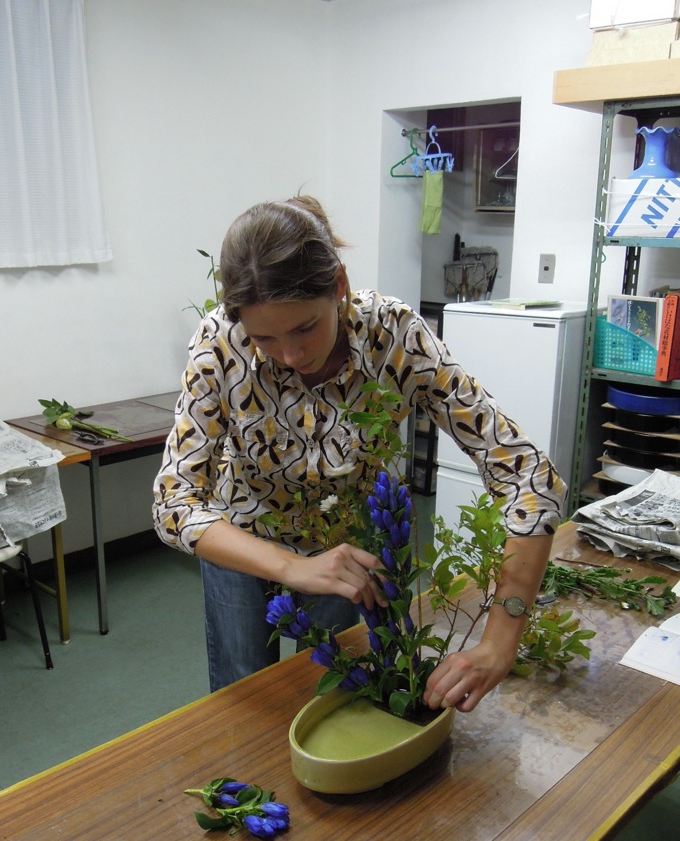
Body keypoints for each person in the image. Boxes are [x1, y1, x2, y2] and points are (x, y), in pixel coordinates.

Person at [153, 195, 566, 710]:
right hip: (239, 538)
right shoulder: (219, 346)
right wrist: (290, 567)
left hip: (346, 550)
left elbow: (527, 474)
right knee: (243, 696)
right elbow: (175, 504)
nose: (291, 355)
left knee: (334, 690)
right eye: (265, 338)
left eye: (306, 327)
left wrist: (501, 640)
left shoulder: (395, 336)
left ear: (340, 286)